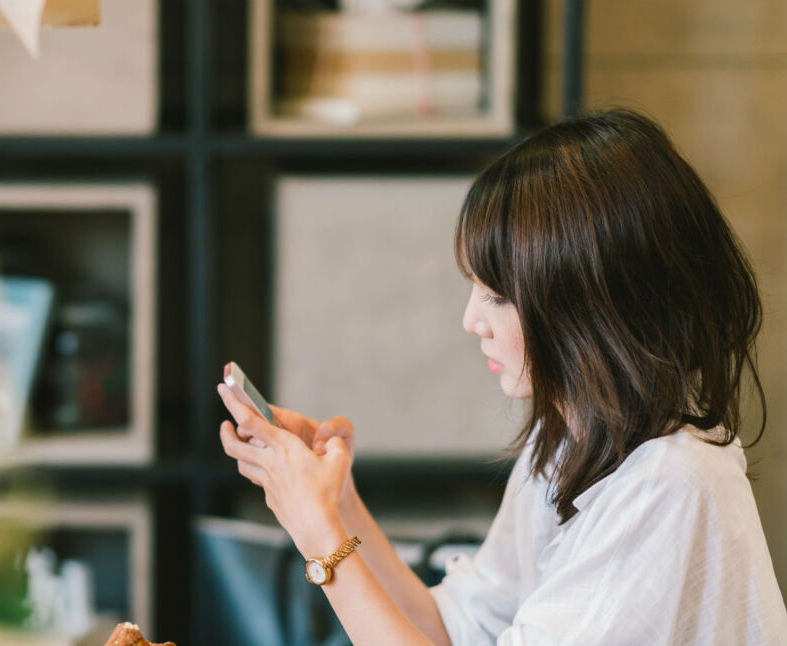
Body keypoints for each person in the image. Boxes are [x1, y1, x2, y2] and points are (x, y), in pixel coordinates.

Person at [217, 109, 787, 645]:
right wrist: (338, 501)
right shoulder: (567, 439)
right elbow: (456, 626)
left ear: (587, 306)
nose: (472, 321)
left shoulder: (670, 484)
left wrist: (318, 534)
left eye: (496, 296)